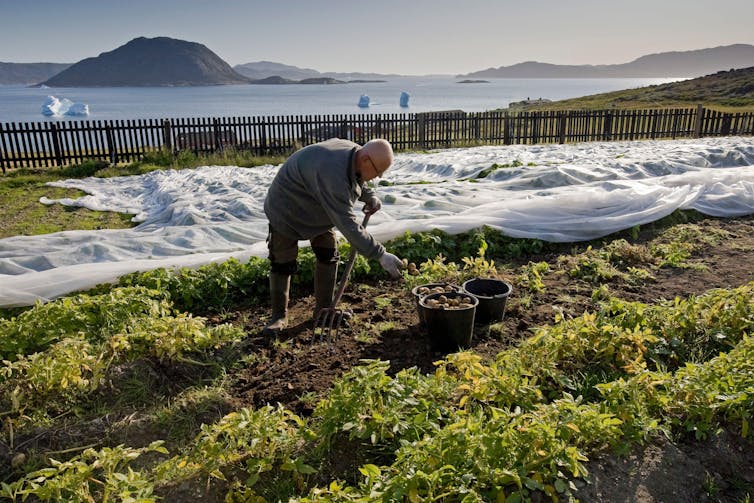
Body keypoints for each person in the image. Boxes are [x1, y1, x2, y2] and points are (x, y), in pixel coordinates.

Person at [262, 137, 405, 336]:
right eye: (377, 172)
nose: (375, 177)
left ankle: (323, 309)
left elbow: (355, 179)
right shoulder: (332, 174)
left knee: (328, 254)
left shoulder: (354, 154)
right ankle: (278, 316)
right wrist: (380, 254)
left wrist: (368, 195)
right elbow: (348, 224)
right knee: (282, 262)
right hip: (287, 207)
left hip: (318, 205)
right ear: (365, 160)